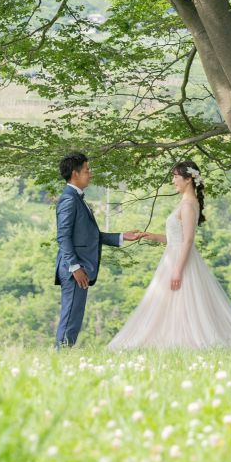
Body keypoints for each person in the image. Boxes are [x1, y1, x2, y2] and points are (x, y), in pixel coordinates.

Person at [107, 159, 231, 350]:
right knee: (171, 302)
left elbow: (188, 240)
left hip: (180, 261)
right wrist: (153, 236)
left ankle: (184, 339)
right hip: (173, 257)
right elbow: (176, 239)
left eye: (176, 177)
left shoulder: (188, 205)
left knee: (182, 300)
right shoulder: (184, 202)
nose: (173, 181)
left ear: (188, 180)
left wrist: (178, 269)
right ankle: (173, 338)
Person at [55, 150, 143, 349]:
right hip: (74, 270)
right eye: (87, 170)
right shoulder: (69, 199)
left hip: (78, 268)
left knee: (74, 316)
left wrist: (121, 237)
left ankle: (63, 356)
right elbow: (63, 236)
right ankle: (60, 358)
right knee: (70, 316)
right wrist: (75, 267)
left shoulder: (77, 198)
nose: (90, 174)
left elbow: (91, 235)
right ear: (75, 174)